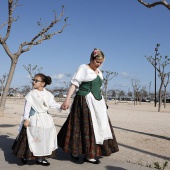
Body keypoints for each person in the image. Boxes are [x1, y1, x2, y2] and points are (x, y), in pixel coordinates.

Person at [57, 48, 119, 164]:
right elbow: (74, 84)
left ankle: (90, 154)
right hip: (84, 101)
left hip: (97, 103)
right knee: (83, 127)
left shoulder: (100, 72)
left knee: (99, 126)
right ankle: (75, 151)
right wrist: (67, 100)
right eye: (97, 62)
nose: (99, 65)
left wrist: (103, 102)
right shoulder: (83, 68)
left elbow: (99, 89)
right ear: (91, 59)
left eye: (101, 63)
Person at [12, 73, 61, 166]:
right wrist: (26, 119)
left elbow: (53, 104)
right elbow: (27, 108)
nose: (33, 82)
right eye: (33, 80)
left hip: (45, 119)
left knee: (44, 138)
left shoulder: (48, 94)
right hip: (33, 119)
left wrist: (62, 106)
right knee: (31, 138)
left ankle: (40, 158)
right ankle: (25, 156)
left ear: (43, 84)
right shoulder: (31, 94)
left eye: (36, 81)